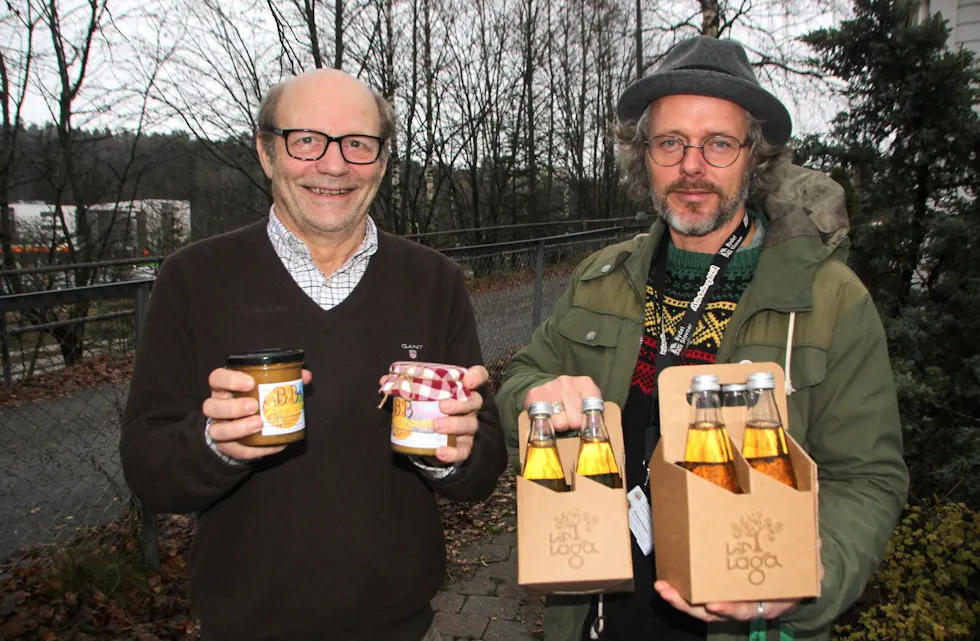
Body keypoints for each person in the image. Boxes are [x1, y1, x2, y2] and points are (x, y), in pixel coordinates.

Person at [497, 36, 908, 641]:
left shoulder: (829, 300)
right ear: (645, 158)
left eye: (719, 143)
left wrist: (812, 575)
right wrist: (535, 398)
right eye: (670, 143)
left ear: (755, 158)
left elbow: (869, 477)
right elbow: (521, 380)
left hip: (747, 620)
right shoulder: (600, 279)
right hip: (600, 616)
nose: (692, 165)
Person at [120, 69, 507, 641]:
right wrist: (214, 446)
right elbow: (148, 468)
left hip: (397, 622)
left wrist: (453, 455)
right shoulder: (194, 280)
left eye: (358, 143)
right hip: (244, 622)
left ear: (382, 160)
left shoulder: (434, 281)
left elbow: (484, 464)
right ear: (266, 151)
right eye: (306, 140)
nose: (333, 164)